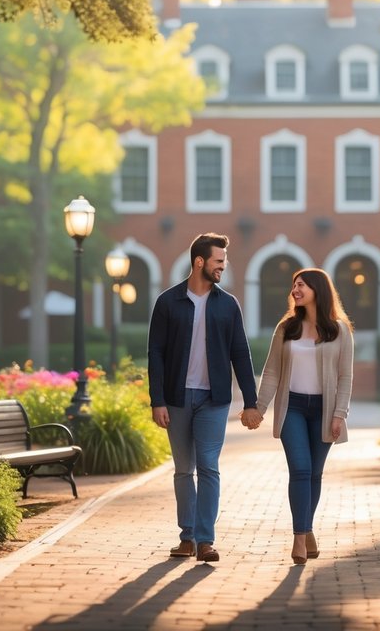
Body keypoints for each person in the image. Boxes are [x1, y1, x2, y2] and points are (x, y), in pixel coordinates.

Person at [148, 232, 258, 563]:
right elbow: (156, 354)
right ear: (200, 262)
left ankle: (205, 540)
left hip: (214, 400)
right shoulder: (168, 302)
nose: (223, 266)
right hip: (177, 399)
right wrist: (157, 400)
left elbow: (241, 353)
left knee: (208, 466)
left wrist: (251, 402)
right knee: (184, 469)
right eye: (218, 261)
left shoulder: (228, 305)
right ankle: (187, 538)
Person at [241, 267, 354, 565]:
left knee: (315, 474)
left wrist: (339, 414)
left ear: (318, 289)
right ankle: (299, 539)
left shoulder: (340, 330)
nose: (295, 290)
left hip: (324, 410)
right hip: (292, 408)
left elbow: (346, 377)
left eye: (302, 285)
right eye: (294, 285)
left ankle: (307, 528)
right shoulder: (286, 328)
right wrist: (258, 408)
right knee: (301, 470)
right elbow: (272, 372)